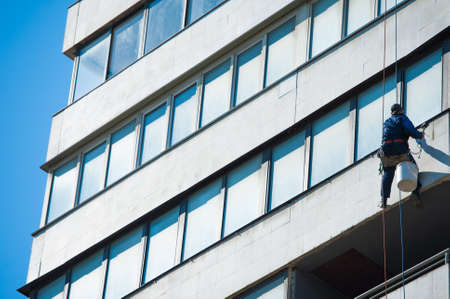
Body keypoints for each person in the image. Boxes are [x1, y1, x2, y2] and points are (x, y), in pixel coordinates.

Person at [378, 103, 424, 208]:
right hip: (400, 149)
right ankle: (415, 192)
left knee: (388, 173)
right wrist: (420, 135)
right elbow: (410, 130)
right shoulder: (402, 118)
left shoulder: (387, 122)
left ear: (391, 113)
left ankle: (383, 200)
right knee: (413, 167)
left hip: (386, 152)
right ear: (401, 111)